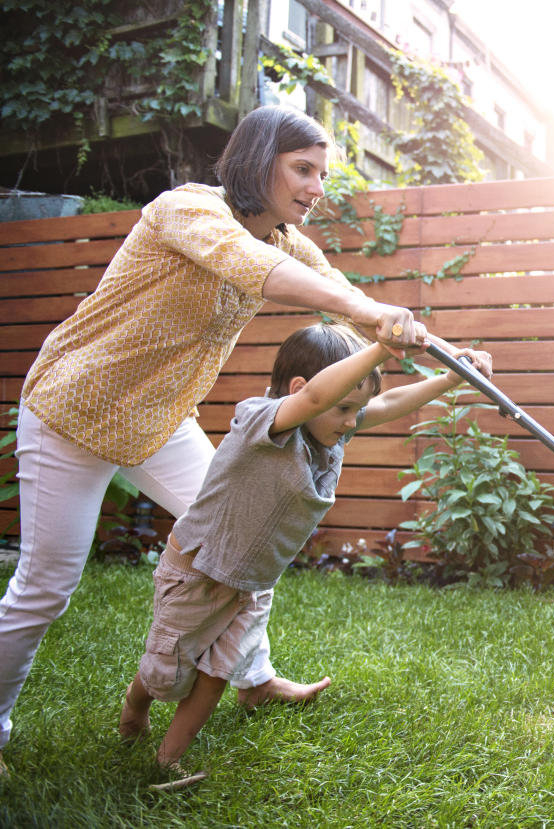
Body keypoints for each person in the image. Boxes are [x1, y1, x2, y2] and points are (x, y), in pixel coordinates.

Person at [0, 105, 470, 775]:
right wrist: (367, 313)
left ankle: (252, 678)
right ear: (259, 162)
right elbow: (254, 268)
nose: (316, 186)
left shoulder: (283, 239)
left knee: (249, 528)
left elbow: (335, 290)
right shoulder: (186, 210)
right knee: (47, 583)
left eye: (323, 174)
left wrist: (432, 344)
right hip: (73, 411)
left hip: (158, 420)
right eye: (302, 169)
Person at [117, 323, 490, 786]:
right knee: (168, 669)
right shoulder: (263, 420)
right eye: (346, 407)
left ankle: (169, 757)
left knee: (217, 672)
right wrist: (379, 349)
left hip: (251, 581)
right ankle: (135, 708)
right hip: (199, 572)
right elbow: (316, 400)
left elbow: (387, 404)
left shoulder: (329, 429)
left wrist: (451, 380)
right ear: (302, 388)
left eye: (357, 409)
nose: (353, 420)